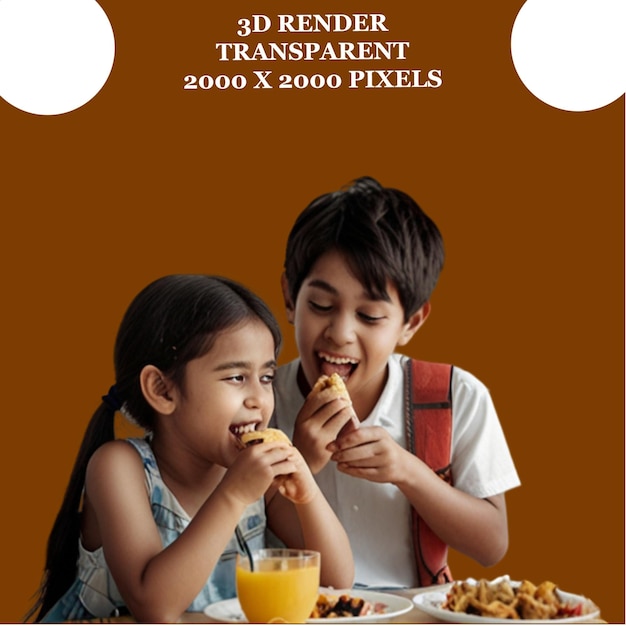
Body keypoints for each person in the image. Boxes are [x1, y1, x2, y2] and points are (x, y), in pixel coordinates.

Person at [26, 274, 354, 623]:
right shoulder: (119, 468)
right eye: (236, 377)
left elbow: (336, 583)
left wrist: (306, 490)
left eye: (267, 378)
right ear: (163, 390)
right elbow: (156, 609)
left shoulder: (259, 482)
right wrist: (232, 495)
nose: (259, 399)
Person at [272, 176, 521, 589]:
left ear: (411, 322)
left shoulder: (455, 396)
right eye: (320, 305)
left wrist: (410, 472)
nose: (340, 333)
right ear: (288, 297)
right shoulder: (257, 400)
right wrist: (298, 463)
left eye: (369, 316)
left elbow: (491, 545)